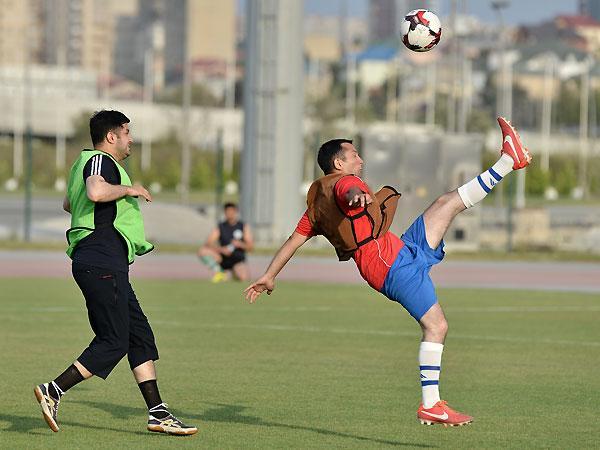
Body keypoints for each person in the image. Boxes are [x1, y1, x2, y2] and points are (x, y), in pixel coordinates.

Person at [245, 117, 531, 427]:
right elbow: (349, 191)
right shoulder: (343, 184)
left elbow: (293, 240)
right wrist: (356, 197)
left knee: (446, 203)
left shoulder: (317, 207)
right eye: (354, 154)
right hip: (387, 264)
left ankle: (508, 160)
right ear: (339, 163)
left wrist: (269, 275)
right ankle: (431, 404)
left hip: (397, 249)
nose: (360, 159)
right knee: (436, 326)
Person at [34, 110, 197, 436]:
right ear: (112, 136)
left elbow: (70, 203)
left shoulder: (89, 164)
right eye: (127, 132)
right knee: (113, 341)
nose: (131, 139)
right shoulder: (99, 160)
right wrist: (128, 189)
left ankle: (158, 413)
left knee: (139, 336)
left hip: (106, 263)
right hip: (101, 262)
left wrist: (112, 196)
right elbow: (95, 192)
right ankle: (54, 390)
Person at [198, 202, 254, 282]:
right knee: (202, 251)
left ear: (236, 212)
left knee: (244, 278)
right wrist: (221, 249)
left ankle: (234, 272)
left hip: (237, 259)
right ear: (225, 212)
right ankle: (220, 272)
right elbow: (208, 243)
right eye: (227, 211)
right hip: (223, 258)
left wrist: (240, 244)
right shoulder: (221, 226)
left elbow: (250, 247)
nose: (230, 214)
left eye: (232, 211)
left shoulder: (243, 226)